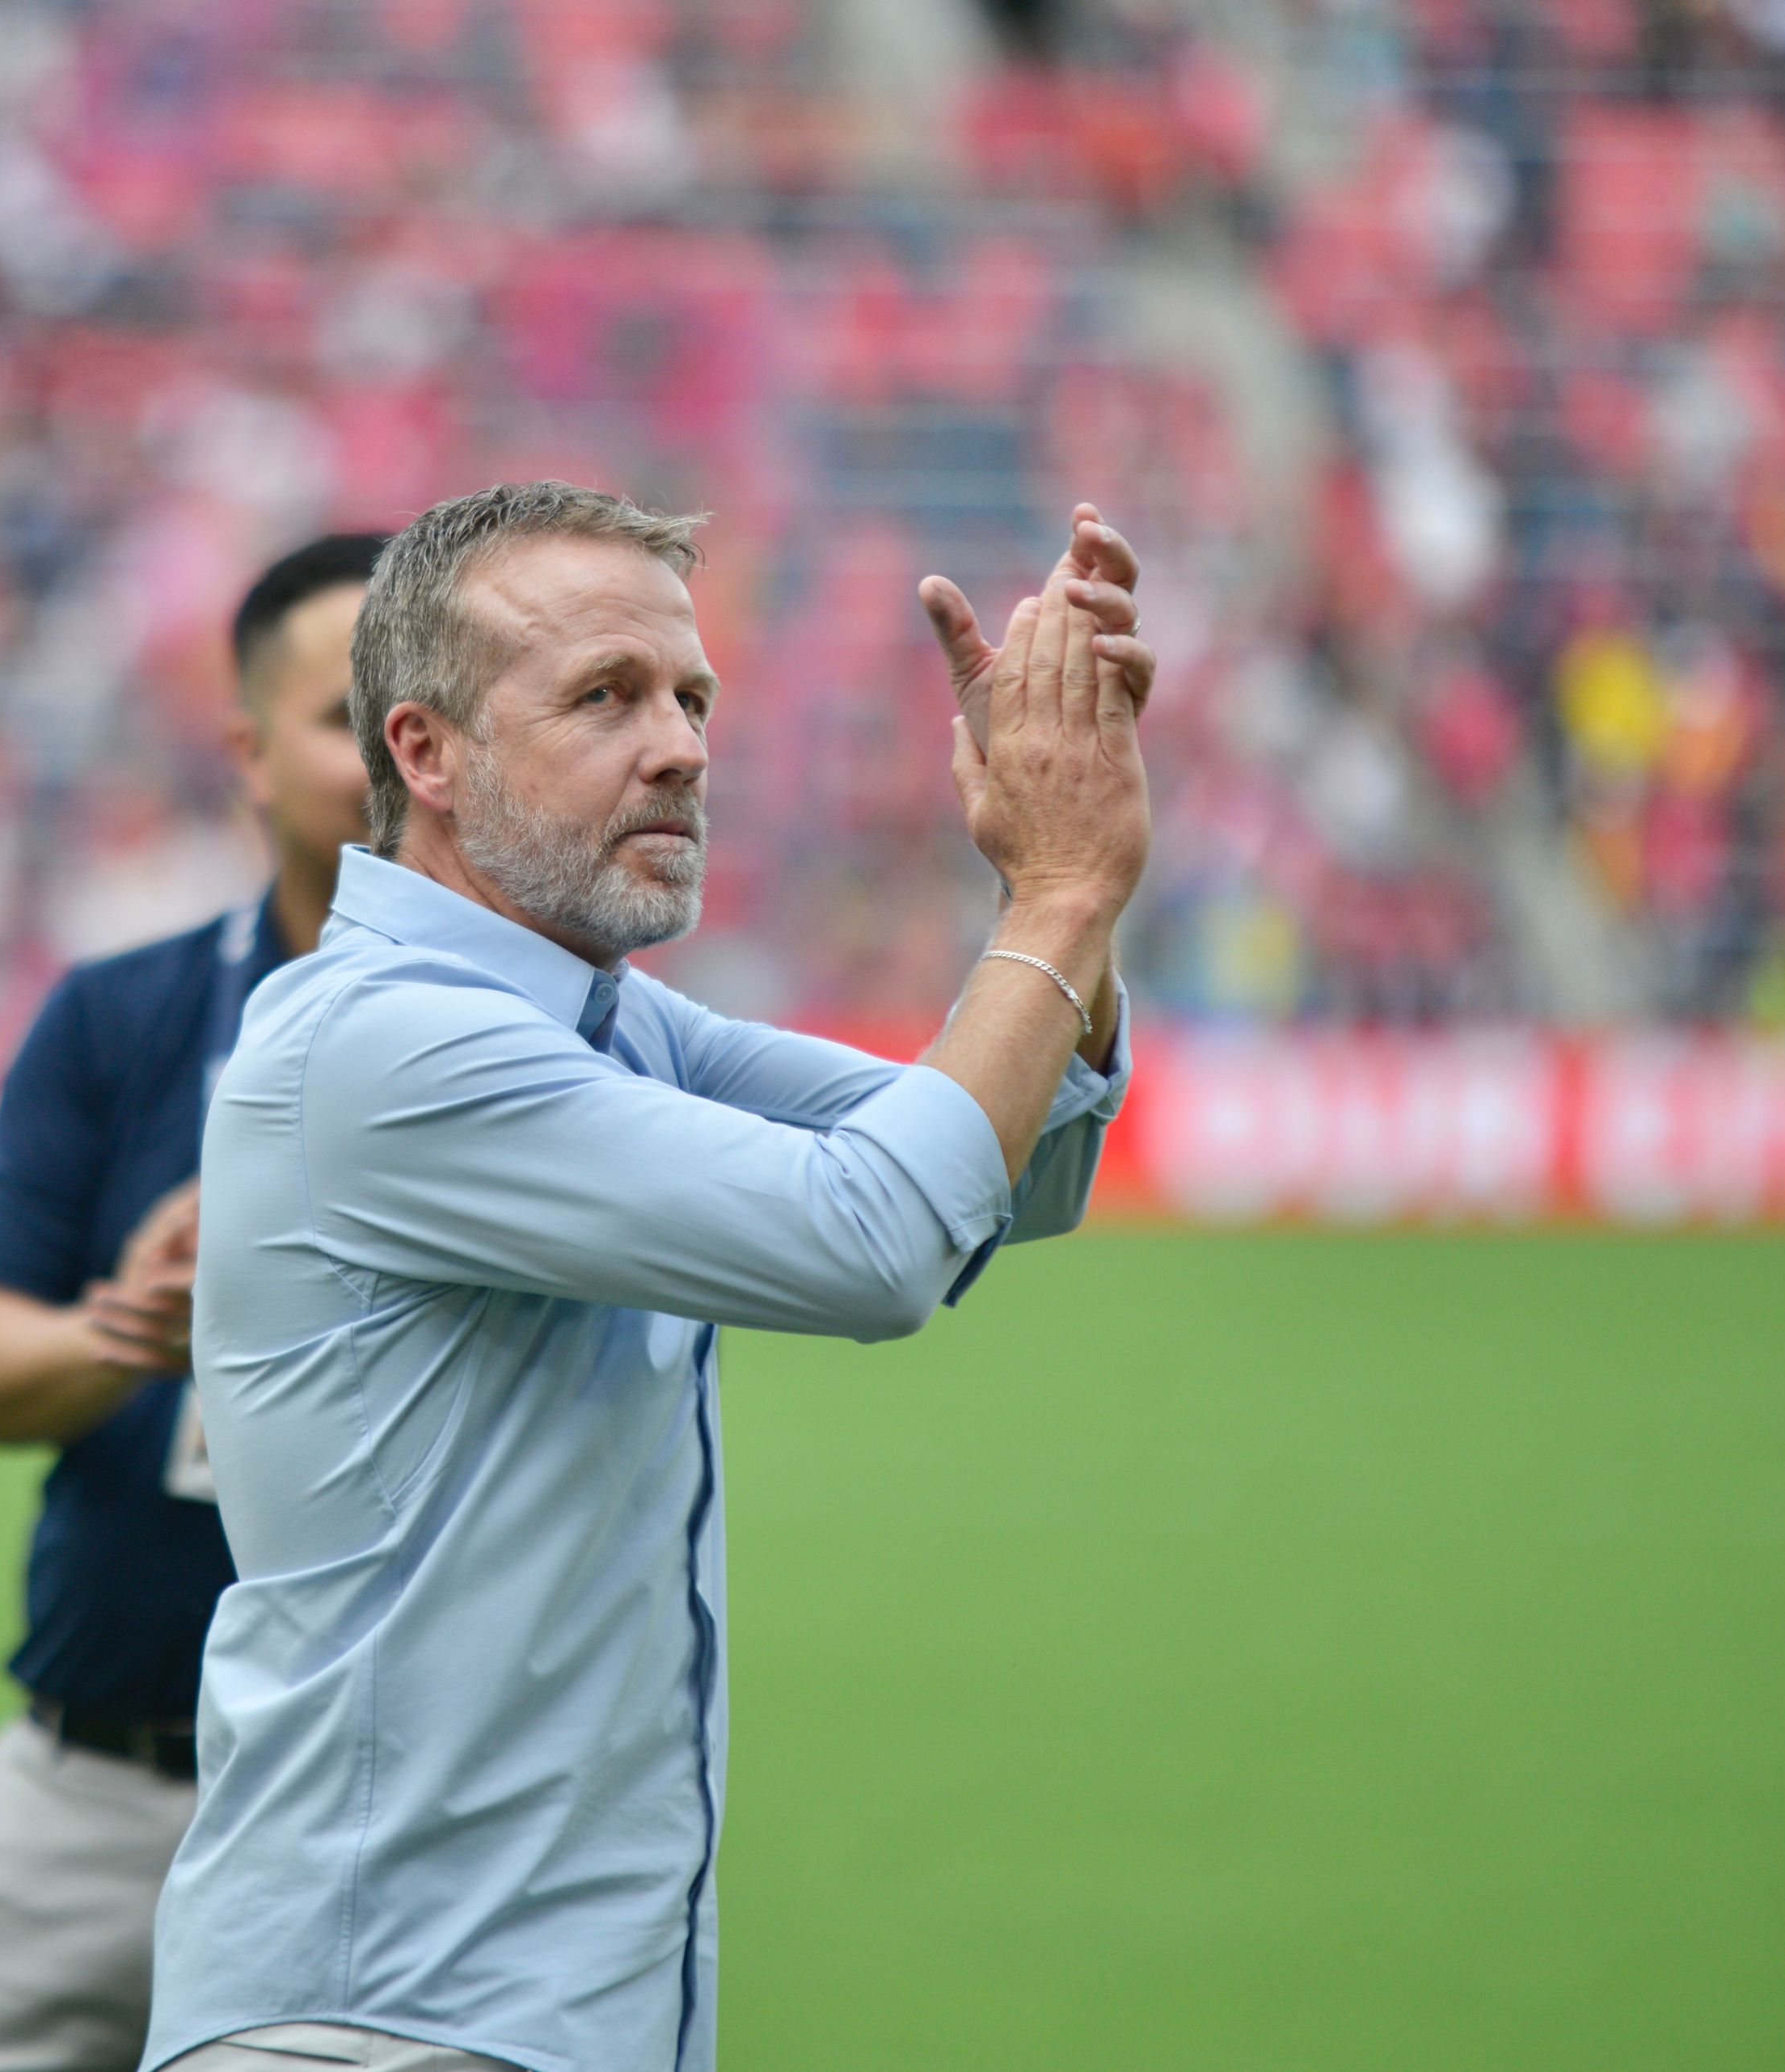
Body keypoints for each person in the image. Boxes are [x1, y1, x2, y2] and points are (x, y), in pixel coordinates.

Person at [146, 480, 1158, 2072]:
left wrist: (1072, 872)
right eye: (605, 697)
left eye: (692, 695)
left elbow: (1003, 1180)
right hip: (376, 2020)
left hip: (513, 2016)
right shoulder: (390, 1039)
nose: (682, 744)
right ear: (426, 753)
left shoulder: (599, 1014)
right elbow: (875, 1237)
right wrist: (1059, 895)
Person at [0, 533, 387, 2072]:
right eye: (348, 720)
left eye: (437, 716)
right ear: (244, 754)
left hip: (386, 1825)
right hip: (92, 1793)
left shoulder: (565, 1048)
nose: (400, 759)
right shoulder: (122, 1018)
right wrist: (132, 1327)